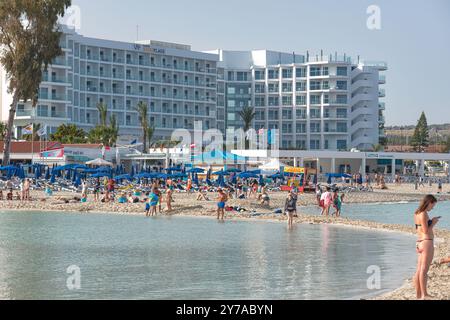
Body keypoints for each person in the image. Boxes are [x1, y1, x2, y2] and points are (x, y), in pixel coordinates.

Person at [413, 195, 440, 300]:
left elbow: (419, 229)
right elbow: (425, 230)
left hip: (419, 242)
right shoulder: (424, 213)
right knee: (424, 270)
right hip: (427, 242)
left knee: (419, 270)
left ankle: (418, 295)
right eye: (432, 205)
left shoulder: (416, 213)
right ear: (429, 202)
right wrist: (433, 222)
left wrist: (431, 221)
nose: (432, 208)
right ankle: (424, 295)